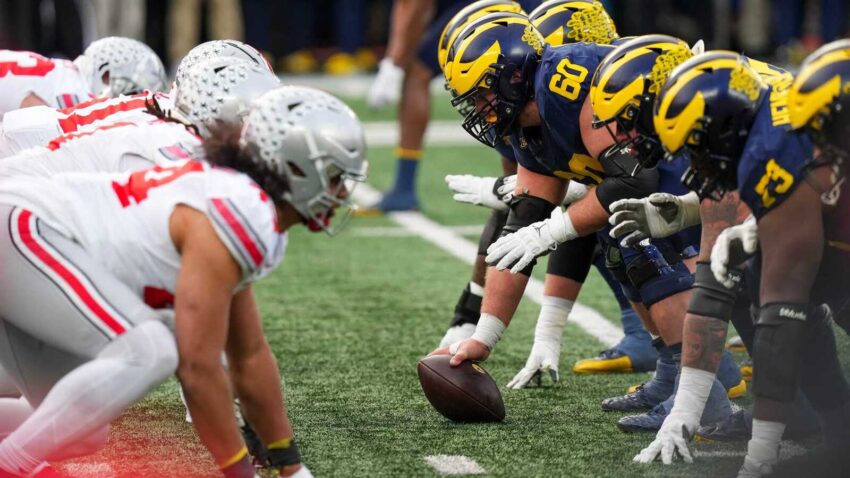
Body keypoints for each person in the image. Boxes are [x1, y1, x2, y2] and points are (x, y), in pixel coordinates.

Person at [0, 85, 365, 478]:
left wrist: (291, 467)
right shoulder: (241, 209)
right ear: (295, 168)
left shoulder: (244, 206)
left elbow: (249, 355)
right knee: (150, 350)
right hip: (22, 224)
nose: (342, 192)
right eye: (334, 177)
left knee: (82, 431)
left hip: (26, 233)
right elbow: (197, 369)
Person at [432, 14, 734, 432]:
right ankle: (675, 374)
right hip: (656, 177)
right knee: (619, 245)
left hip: (693, 168)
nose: (479, 107)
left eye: (483, 93)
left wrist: (552, 231)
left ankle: (707, 397)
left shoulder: (565, 89)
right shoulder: (525, 123)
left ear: (513, 77)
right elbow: (520, 227)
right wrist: (484, 337)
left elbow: (635, 178)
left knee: (640, 245)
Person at [641, 49, 850, 476]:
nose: (694, 166)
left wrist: (760, 457)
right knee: (768, 278)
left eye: (698, 149)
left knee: (782, 295)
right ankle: (841, 434)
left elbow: (779, 316)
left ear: (725, 129)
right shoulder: (775, 122)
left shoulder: (772, 149)